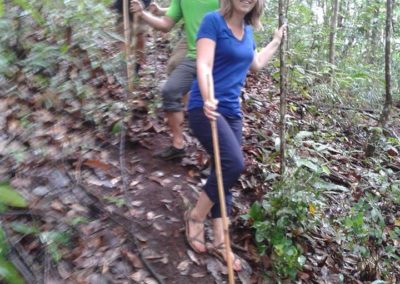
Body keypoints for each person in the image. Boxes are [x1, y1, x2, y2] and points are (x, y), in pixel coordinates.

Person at [184, 0, 286, 272]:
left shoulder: (248, 31)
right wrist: (208, 98)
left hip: (232, 114)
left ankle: (220, 242)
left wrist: (275, 41)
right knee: (233, 164)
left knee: (223, 173)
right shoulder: (212, 22)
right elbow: (204, 65)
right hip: (205, 107)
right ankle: (195, 217)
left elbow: (255, 64)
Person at [130, 0, 219, 160]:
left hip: (220, 52)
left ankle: (218, 156)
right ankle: (178, 144)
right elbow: (166, 24)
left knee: (215, 103)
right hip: (194, 49)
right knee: (171, 86)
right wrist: (144, 13)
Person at [113, 0, 152, 76]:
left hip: (140, 13)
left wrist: (141, 8)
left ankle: (134, 74)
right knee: (124, 48)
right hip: (123, 14)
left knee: (139, 45)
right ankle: (126, 74)